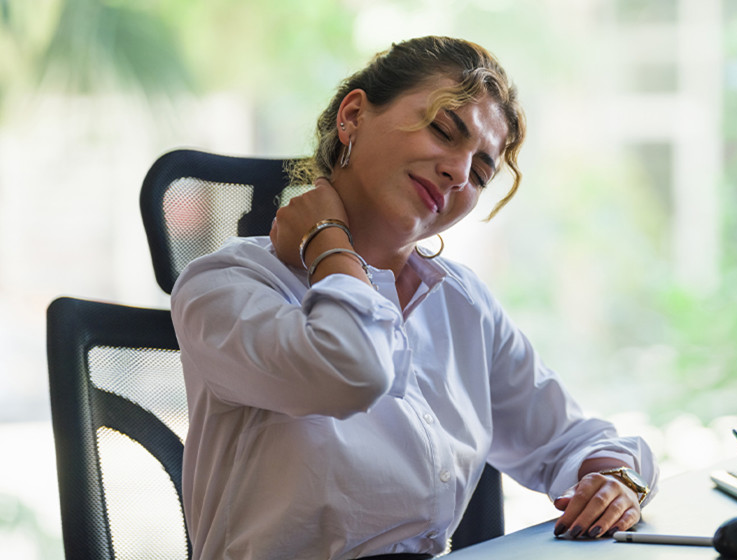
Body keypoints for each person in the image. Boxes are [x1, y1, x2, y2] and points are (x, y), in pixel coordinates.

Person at [171, 36, 657, 560]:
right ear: (353, 116)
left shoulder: (461, 304)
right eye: (444, 131)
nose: (457, 172)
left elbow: (571, 439)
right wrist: (327, 237)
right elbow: (352, 370)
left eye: (480, 173)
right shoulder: (224, 285)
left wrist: (615, 481)